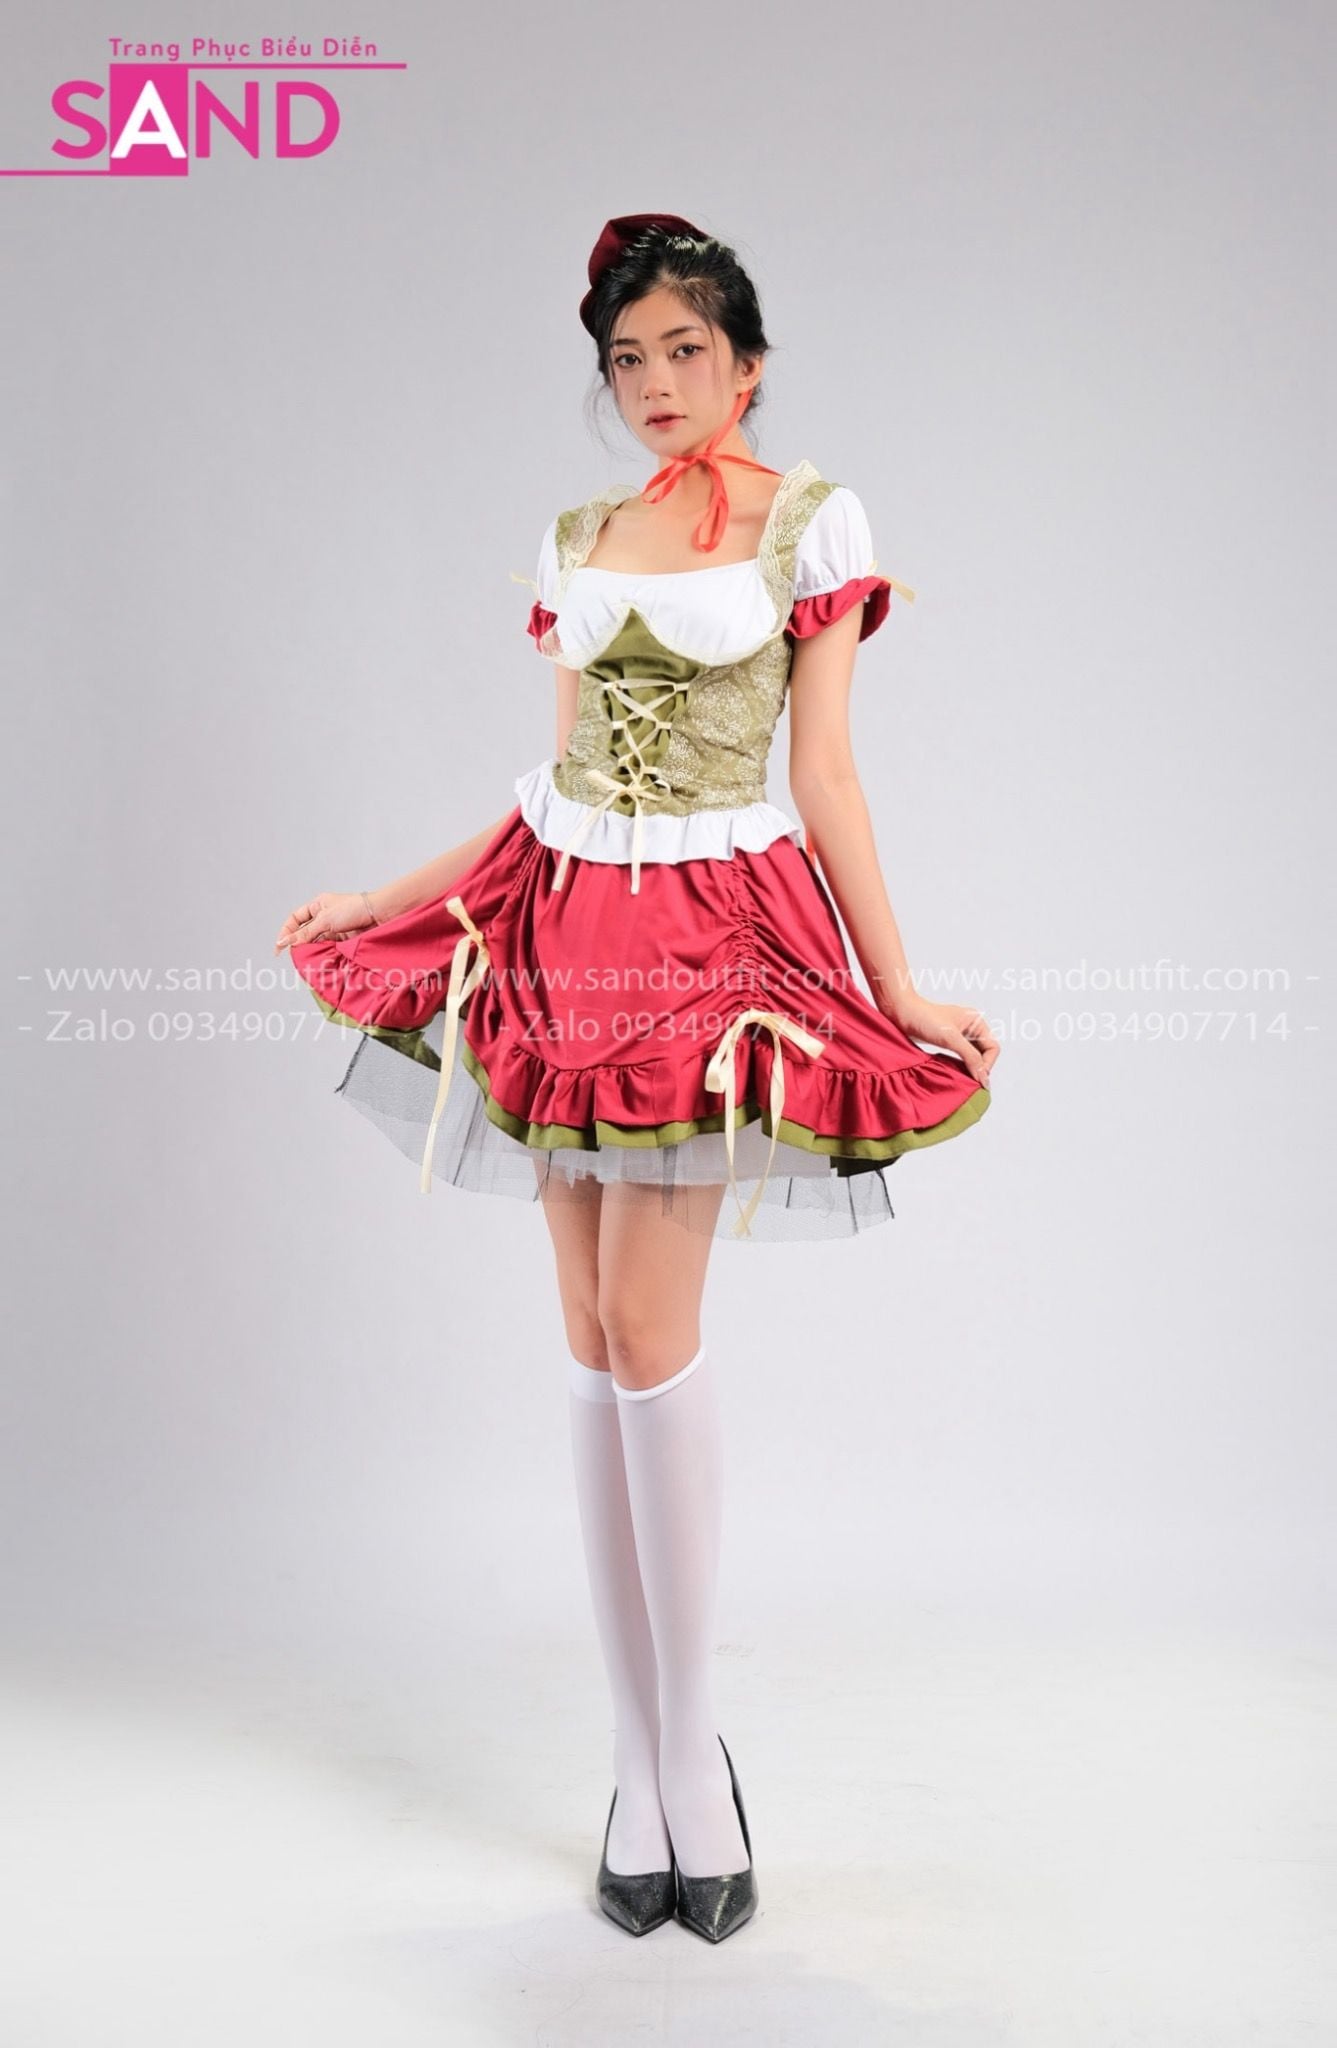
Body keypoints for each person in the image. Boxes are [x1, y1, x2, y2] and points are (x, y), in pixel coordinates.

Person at [274, 213, 999, 1941]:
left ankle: (689, 1755)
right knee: (592, 1332)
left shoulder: (810, 522)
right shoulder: (577, 536)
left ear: (746, 362)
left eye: (685, 350)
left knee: (649, 1322)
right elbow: (548, 781)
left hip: (711, 939)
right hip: (564, 925)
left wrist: (898, 983)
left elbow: (825, 774)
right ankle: (637, 1760)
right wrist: (386, 894)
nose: (656, 381)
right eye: (626, 359)